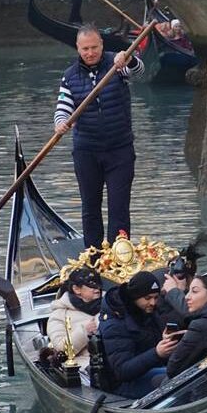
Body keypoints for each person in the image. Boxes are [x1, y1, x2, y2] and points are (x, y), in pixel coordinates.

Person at [54, 24, 145, 249]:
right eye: (85, 48)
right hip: (86, 151)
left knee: (119, 207)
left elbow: (139, 71)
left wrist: (129, 59)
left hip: (119, 150)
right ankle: (93, 256)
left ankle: (120, 256)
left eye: (94, 47)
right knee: (90, 207)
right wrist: (60, 123)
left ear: (102, 45)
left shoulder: (117, 64)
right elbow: (63, 108)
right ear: (78, 48)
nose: (90, 52)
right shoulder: (69, 76)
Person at [98, 270, 178, 398]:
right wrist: (156, 353)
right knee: (174, 378)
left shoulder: (148, 311)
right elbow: (122, 371)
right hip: (123, 384)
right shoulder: (115, 324)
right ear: (134, 297)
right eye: (147, 298)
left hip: (151, 370)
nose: (153, 302)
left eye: (156, 297)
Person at [165, 272, 207, 378]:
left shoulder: (201, 326)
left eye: (194, 291)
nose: (186, 297)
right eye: (189, 291)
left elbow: (172, 369)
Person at [47, 267, 103, 371]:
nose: (97, 288)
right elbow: (61, 350)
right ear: (76, 289)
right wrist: (84, 332)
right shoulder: (59, 315)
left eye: (98, 284)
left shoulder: (110, 305)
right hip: (84, 366)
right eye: (91, 284)